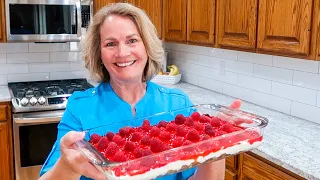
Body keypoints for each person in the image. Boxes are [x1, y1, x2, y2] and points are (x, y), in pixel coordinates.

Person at [39, 3, 242, 180]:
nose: (122, 53)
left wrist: (218, 142)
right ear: (99, 54)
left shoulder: (178, 104)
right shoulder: (80, 107)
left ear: (146, 46)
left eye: (132, 40)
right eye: (110, 44)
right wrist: (67, 167)